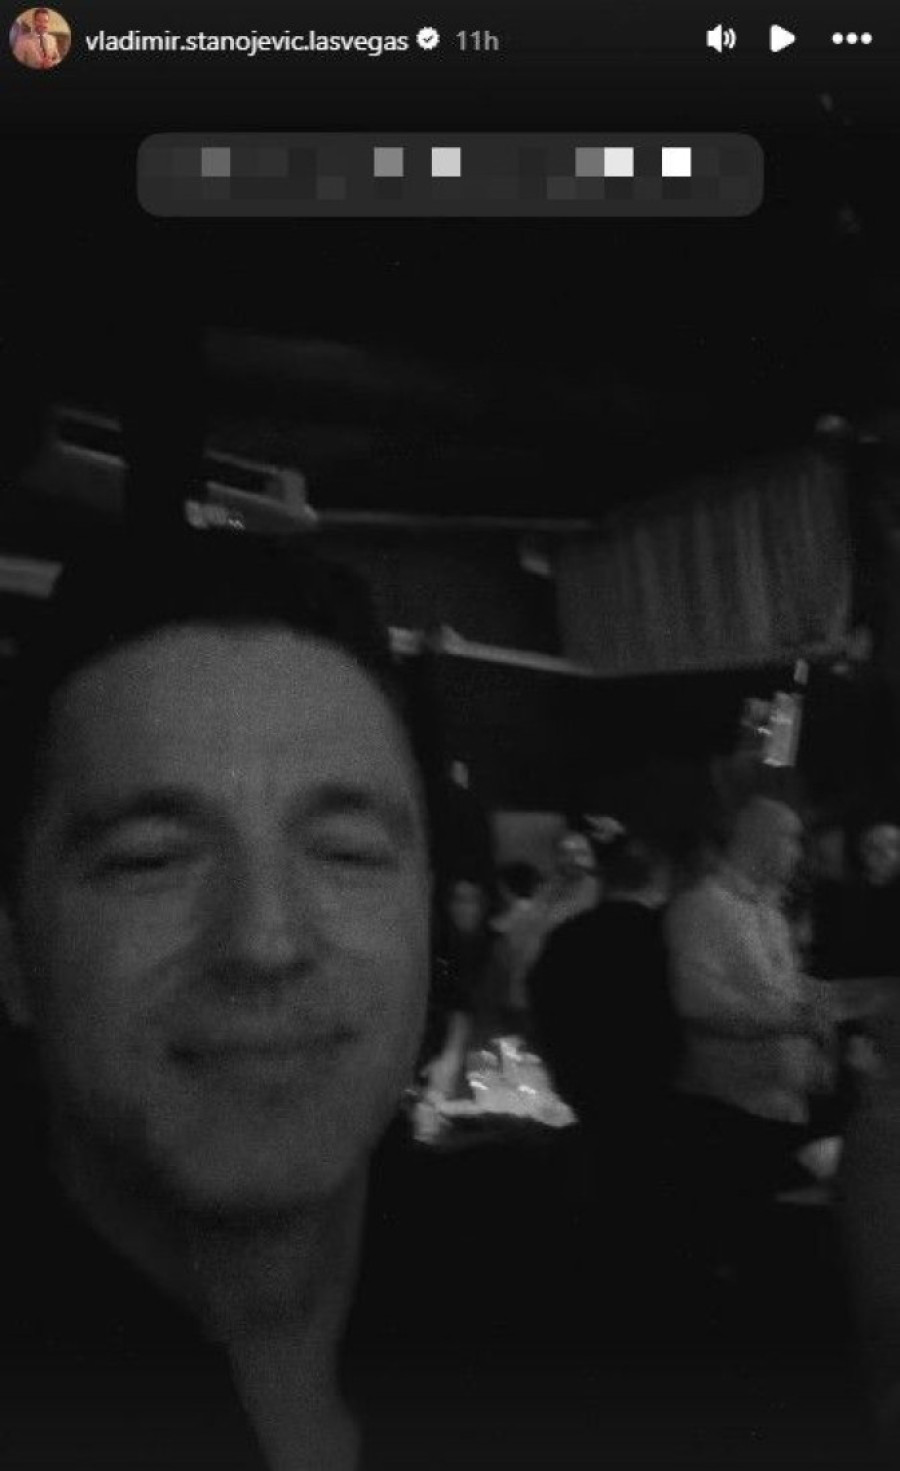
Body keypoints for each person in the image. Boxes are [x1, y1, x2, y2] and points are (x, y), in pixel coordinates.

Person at [664, 797, 839, 1282]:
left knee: (778, 1248)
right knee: (746, 1248)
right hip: (730, 1111)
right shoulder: (702, 907)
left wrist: (827, 1005)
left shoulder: (770, 913)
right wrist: (791, 1019)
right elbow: (699, 1002)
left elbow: (782, 987)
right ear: (760, 841)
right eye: (791, 840)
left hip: (781, 1106)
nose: (798, 854)